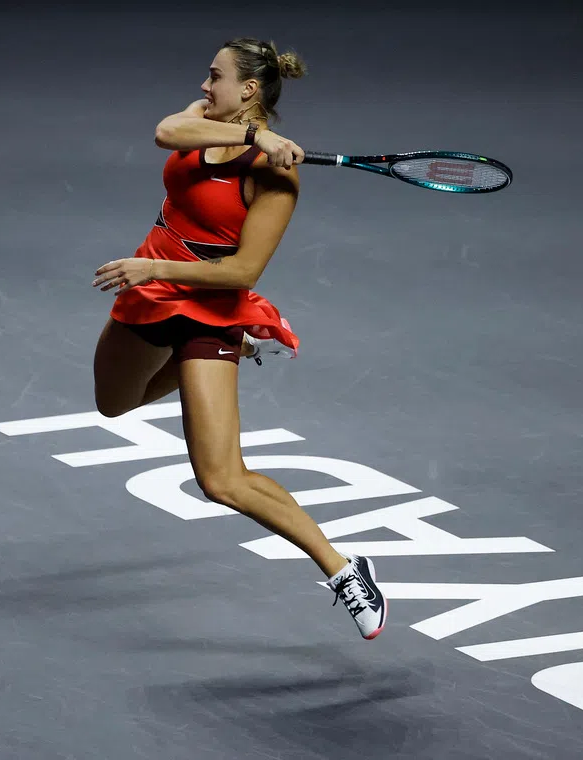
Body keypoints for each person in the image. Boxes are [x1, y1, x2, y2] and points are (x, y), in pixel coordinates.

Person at [90, 37, 386, 640]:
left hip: (206, 307)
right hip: (147, 296)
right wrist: (254, 135)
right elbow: (164, 133)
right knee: (114, 402)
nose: (204, 87)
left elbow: (242, 273)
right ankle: (237, 355)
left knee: (220, 479)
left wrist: (157, 268)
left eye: (214, 76)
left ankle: (344, 569)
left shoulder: (277, 178)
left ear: (248, 89)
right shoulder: (206, 122)